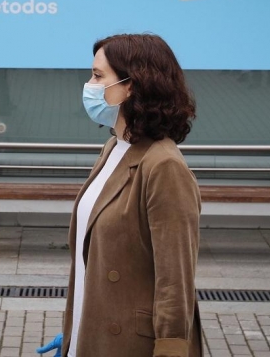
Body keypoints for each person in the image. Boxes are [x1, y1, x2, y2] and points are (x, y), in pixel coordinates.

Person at [38, 33, 201, 356]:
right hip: (92, 337)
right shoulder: (115, 147)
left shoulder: (163, 165)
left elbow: (175, 280)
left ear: (131, 85)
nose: (90, 84)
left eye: (98, 76)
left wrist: (171, 349)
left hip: (130, 344)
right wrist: (75, 334)